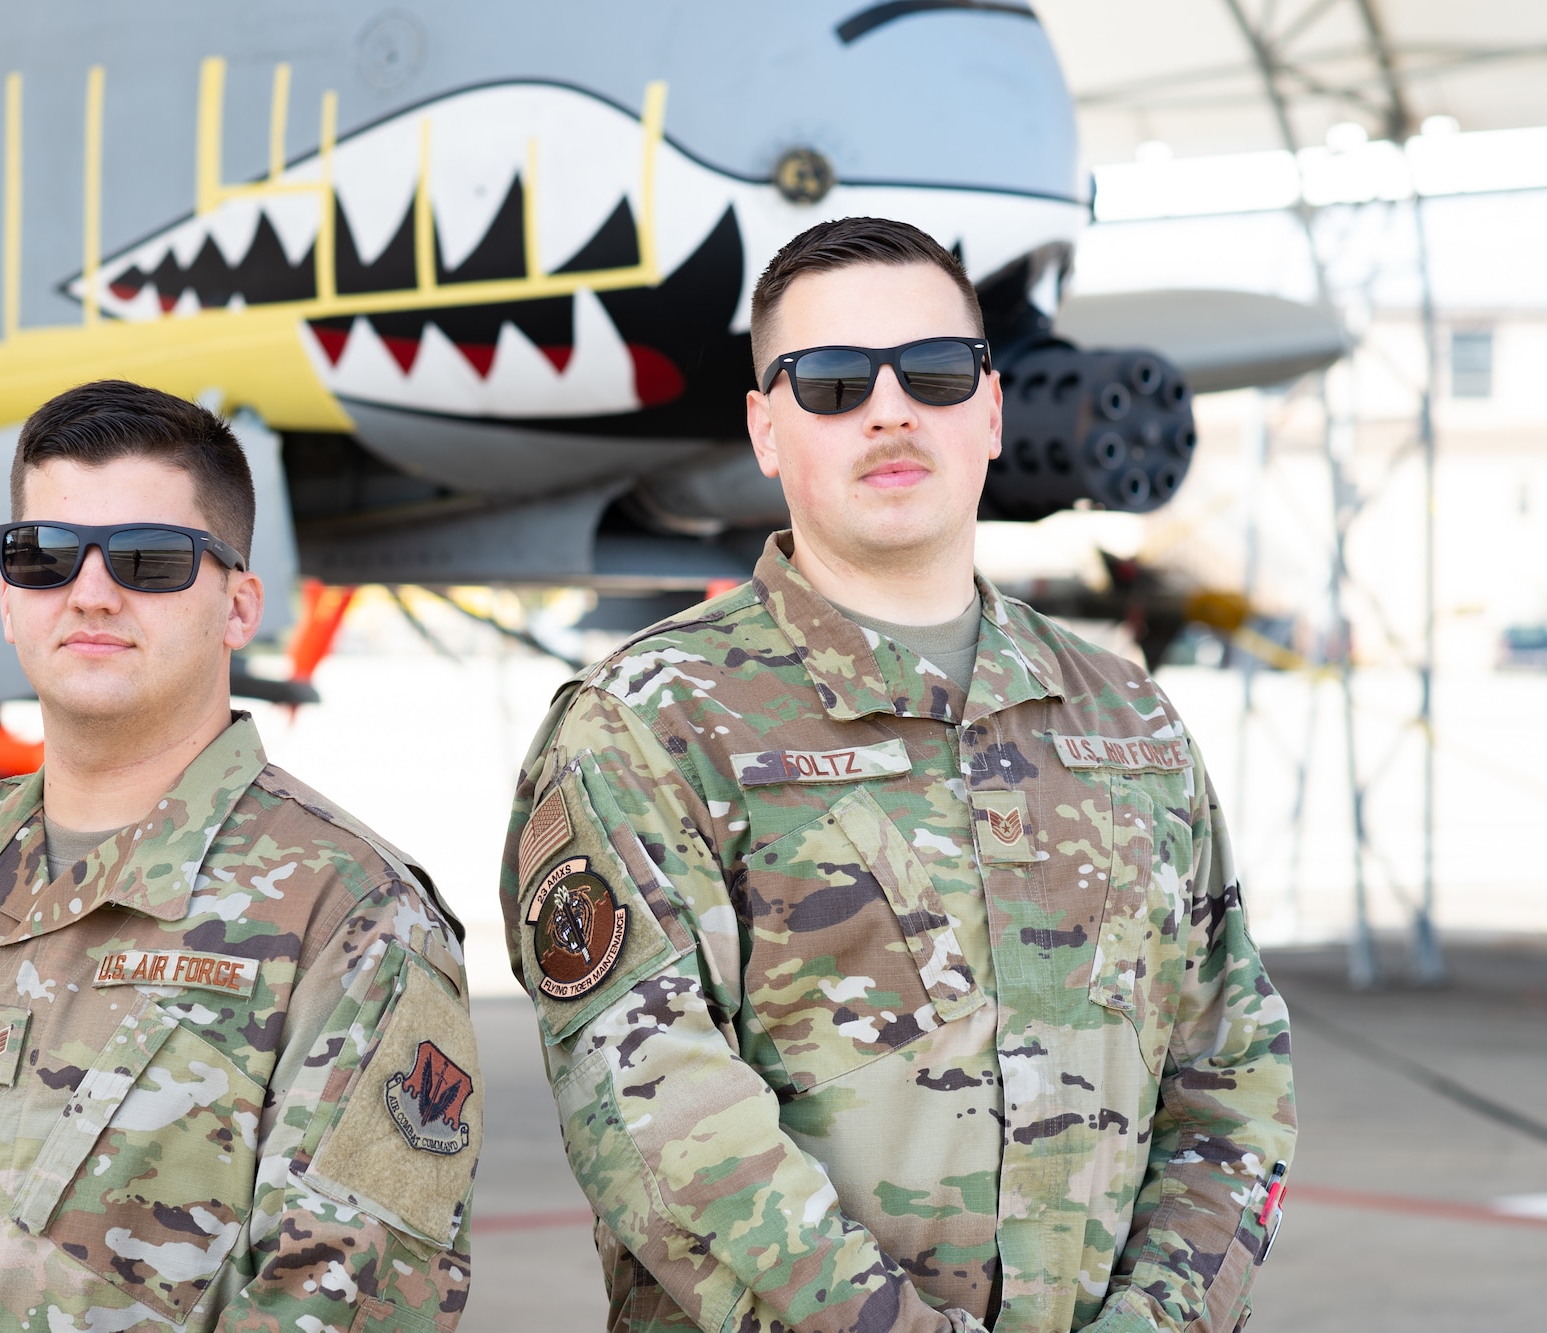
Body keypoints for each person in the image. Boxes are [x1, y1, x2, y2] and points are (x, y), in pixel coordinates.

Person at [500, 218, 1296, 1333]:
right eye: (828, 382)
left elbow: (1233, 1067)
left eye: (931, 373)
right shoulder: (649, 725)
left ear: (989, 410)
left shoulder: (1128, 719)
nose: (888, 410)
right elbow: (653, 1115)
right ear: (764, 429)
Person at [0, 380, 480, 1332]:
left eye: (149, 558)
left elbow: (345, 1303)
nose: (90, 591)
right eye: (44, 556)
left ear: (237, 604)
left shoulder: (350, 917)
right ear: (9, 600)